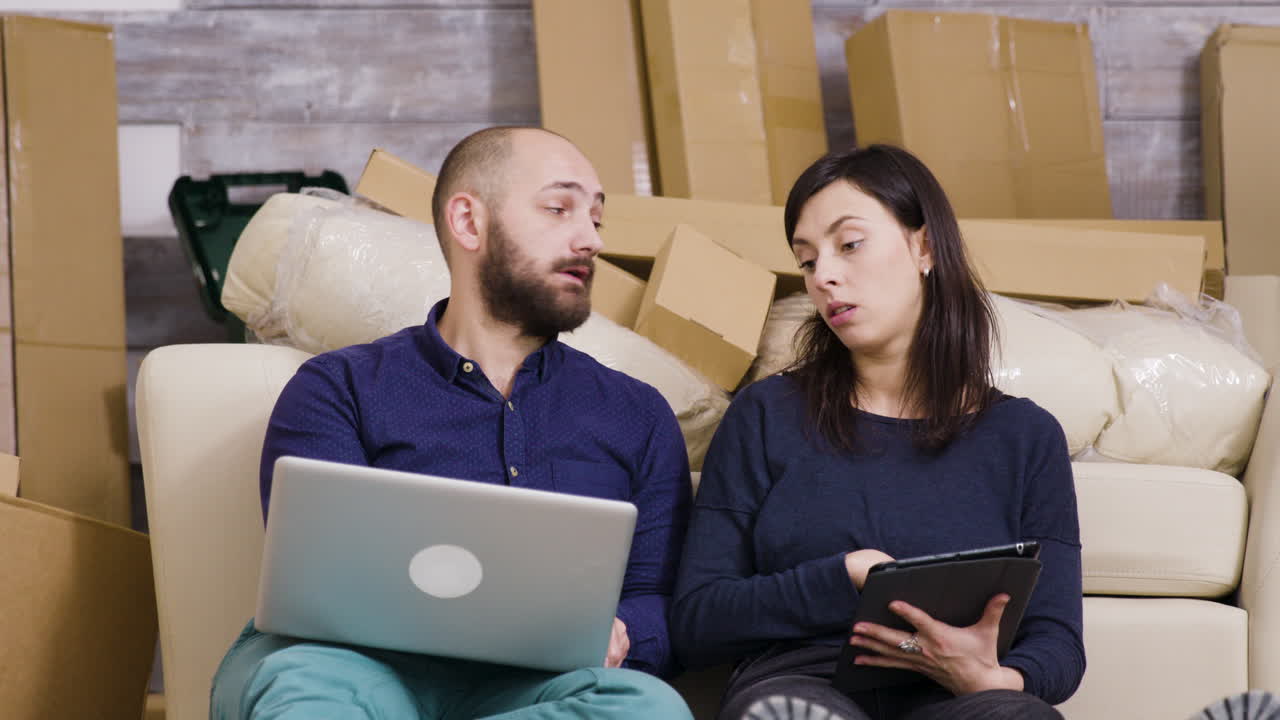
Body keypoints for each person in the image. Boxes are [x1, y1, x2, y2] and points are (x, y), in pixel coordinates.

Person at [209, 126, 694, 720]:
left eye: (596, 218)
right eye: (559, 208)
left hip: (536, 688)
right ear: (469, 222)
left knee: (649, 709)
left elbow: (657, 600)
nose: (589, 238)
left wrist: (622, 630)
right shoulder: (339, 388)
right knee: (301, 683)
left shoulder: (637, 414)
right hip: (356, 671)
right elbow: (320, 591)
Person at [669, 144, 1084, 720]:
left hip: (957, 699)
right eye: (808, 261)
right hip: (801, 687)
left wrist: (996, 676)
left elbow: (1058, 642)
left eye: (849, 245)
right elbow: (695, 620)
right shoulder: (765, 415)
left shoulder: (1024, 436)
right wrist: (844, 579)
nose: (825, 277)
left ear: (924, 246)